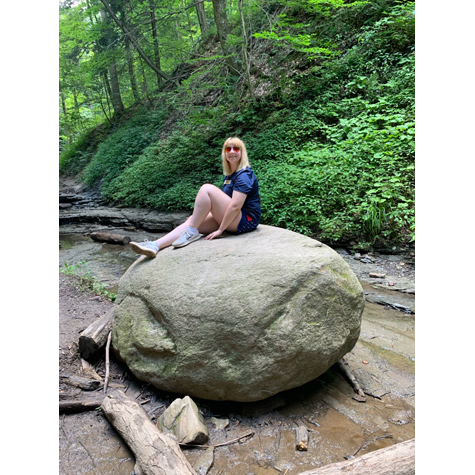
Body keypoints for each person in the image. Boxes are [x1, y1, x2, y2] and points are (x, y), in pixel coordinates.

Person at [128, 137, 261, 258]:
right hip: (235, 218)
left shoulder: (244, 175)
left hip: (246, 220)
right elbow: (225, 201)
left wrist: (221, 230)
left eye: (236, 148)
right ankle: (155, 245)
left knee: (207, 189)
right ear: (224, 153)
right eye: (228, 148)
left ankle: (191, 232)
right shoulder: (230, 175)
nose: (232, 151)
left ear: (242, 152)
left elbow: (235, 206)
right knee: (193, 221)